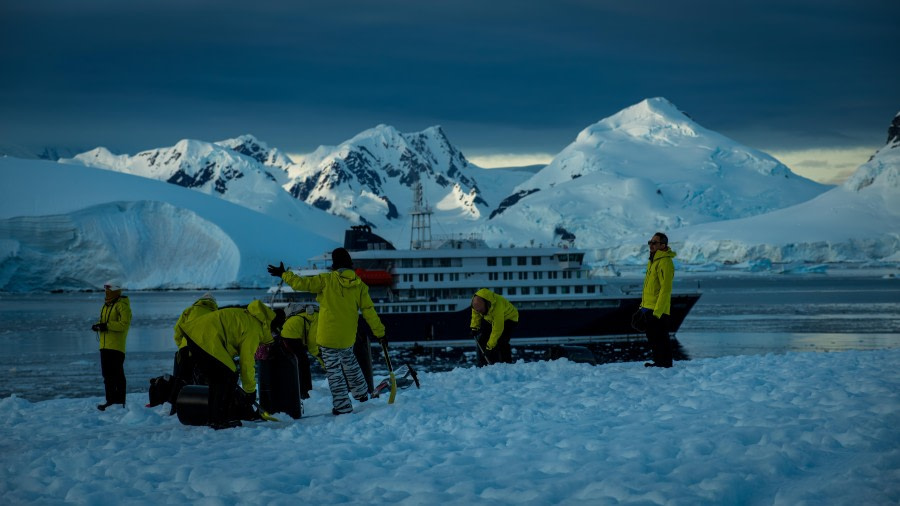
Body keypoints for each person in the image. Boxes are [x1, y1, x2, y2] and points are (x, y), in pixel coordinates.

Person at [268, 247, 386, 416]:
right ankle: (361, 393)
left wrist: (284, 274)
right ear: (350, 264)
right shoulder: (360, 285)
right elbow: (369, 312)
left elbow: (302, 284)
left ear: (334, 264)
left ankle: (343, 406)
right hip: (347, 336)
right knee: (350, 361)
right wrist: (380, 333)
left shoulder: (326, 280)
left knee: (334, 372)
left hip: (328, 336)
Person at [177, 300, 280, 429]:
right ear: (271, 330)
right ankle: (219, 419)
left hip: (196, 337)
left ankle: (217, 417)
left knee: (219, 378)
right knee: (228, 376)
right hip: (206, 339)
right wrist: (250, 391)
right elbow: (246, 363)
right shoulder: (255, 329)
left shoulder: (248, 318)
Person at [169, 292, 218, 412]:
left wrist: (181, 346)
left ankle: (175, 407)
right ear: (214, 303)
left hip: (186, 348)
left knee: (181, 378)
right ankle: (199, 405)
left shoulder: (189, 310)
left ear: (199, 301)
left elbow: (178, 330)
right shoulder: (216, 314)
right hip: (204, 351)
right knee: (202, 380)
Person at [91, 283, 132, 411]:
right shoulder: (106, 305)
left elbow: (124, 324)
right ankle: (110, 400)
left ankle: (119, 401)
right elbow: (105, 322)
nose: (106, 291)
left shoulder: (122, 306)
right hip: (104, 346)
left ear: (115, 290)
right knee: (107, 375)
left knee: (117, 374)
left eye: (108, 289)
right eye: (105, 289)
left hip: (116, 347)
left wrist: (106, 326)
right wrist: (98, 326)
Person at [641, 232, 676, 368]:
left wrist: (658, 312)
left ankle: (665, 363)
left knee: (660, 336)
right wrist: (642, 307)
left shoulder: (665, 262)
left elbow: (665, 289)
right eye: (650, 242)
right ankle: (659, 362)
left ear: (663, 245)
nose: (651, 245)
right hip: (648, 307)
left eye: (654, 243)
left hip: (657, 309)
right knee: (653, 337)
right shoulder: (653, 261)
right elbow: (650, 287)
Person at [280, 304, 321, 399]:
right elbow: (312, 341)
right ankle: (304, 391)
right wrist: (318, 354)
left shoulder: (306, 315)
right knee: (303, 364)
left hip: (286, 336)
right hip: (291, 338)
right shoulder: (317, 317)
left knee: (299, 364)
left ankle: (301, 390)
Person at [470, 288, 519, 366]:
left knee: (501, 341)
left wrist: (489, 347)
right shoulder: (475, 303)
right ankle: (483, 365)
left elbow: (497, 329)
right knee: (482, 339)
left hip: (509, 318)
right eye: (478, 311)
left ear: (486, 305)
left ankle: (506, 364)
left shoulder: (497, 306)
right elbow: (475, 315)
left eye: (481, 311)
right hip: (491, 318)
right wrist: (474, 327)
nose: (480, 313)